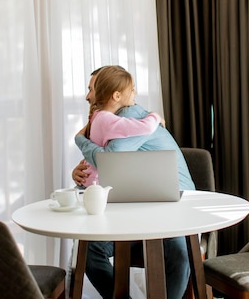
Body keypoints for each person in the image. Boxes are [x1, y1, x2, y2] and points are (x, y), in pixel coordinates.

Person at [72, 66, 195, 299]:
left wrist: (79, 139)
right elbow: (104, 165)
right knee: (89, 249)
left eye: (92, 89)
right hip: (139, 213)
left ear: (112, 92)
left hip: (173, 208)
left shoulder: (130, 116)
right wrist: (77, 172)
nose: (88, 96)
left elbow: (109, 158)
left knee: (179, 252)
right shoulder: (111, 121)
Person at [78, 65, 163, 187]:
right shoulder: (108, 121)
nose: (135, 93)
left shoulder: (97, 116)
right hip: (98, 184)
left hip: (91, 180)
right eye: (132, 89)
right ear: (117, 96)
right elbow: (146, 127)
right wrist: (155, 116)